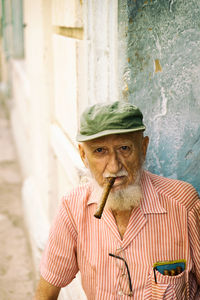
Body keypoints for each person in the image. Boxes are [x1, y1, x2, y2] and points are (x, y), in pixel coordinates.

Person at [34, 101, 200, 300]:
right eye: (99, 151)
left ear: (143, 148)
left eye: (124, 148)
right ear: (82, 155)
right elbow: (46, 291)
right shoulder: (72, 208)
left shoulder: (183, 204)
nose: (113, 167)